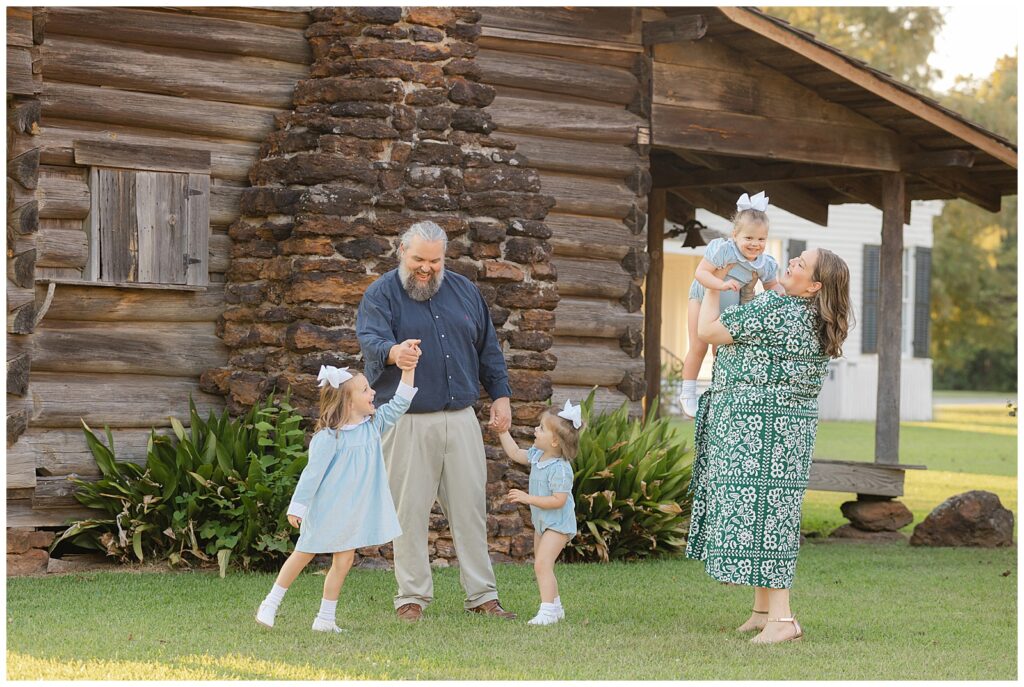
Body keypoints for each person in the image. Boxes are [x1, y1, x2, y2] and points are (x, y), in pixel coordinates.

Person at [685, 246, 851, 645]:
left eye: (801, 264)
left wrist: (713, 284)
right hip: (785, 430)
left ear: (814, 286)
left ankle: (783, 619)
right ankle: (763, 612)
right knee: (771, 513)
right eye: (795, 257)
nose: (791, 261)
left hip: (758, 429)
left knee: (767, 519)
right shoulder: (812, 317)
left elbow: (707, 332)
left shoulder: (779, 310)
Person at [356, 220, 516, 622]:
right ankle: (411, 598)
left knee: (470, 511)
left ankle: (483, 596)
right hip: (405, 420)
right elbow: (370, 340)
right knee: (408, 513)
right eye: (418, 260)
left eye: (434, 261)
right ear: (401, 253)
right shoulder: (380, 294)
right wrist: (394, 353)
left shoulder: (465, 291)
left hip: (461, 418)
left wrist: (500, 395)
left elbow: (488, 350)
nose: (425, 268)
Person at [255, 358, 419, 632]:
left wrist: (409, 369)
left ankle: (325, 619)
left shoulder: (373, 426)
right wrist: (298, 507)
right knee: (302, 555)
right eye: (365, 390)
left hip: (352, 512)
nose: (373, 393)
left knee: (343, 563)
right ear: (348, 402)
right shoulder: (329, 439)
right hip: (326, 510)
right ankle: (270, 604)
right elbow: (311, 475)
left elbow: (400, 402)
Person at [679, 192, 784, 418]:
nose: (755, 244)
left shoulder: (765, 263)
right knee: (699, 346)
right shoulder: (723, 249)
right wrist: (720, 284)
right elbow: (701, 273)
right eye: (749, 238)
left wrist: (787, 299)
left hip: (732, 304)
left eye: (761, 239)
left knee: (723, 352)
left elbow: (772, 287)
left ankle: (719, 391)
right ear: (735, 234)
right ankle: (687, 391)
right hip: (702, 296)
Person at [500, 400, 583, 626]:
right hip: (543, 522)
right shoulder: (538, 455)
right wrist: (503, 431)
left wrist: (528, 498)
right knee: (543, 564)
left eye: (541, 429)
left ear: (555, 441)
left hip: (558, 524)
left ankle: (546, 611)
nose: (535, 430)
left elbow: (559, 500)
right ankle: (555, 608)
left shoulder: (561, 469)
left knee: (541, 565)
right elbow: (516, 452)